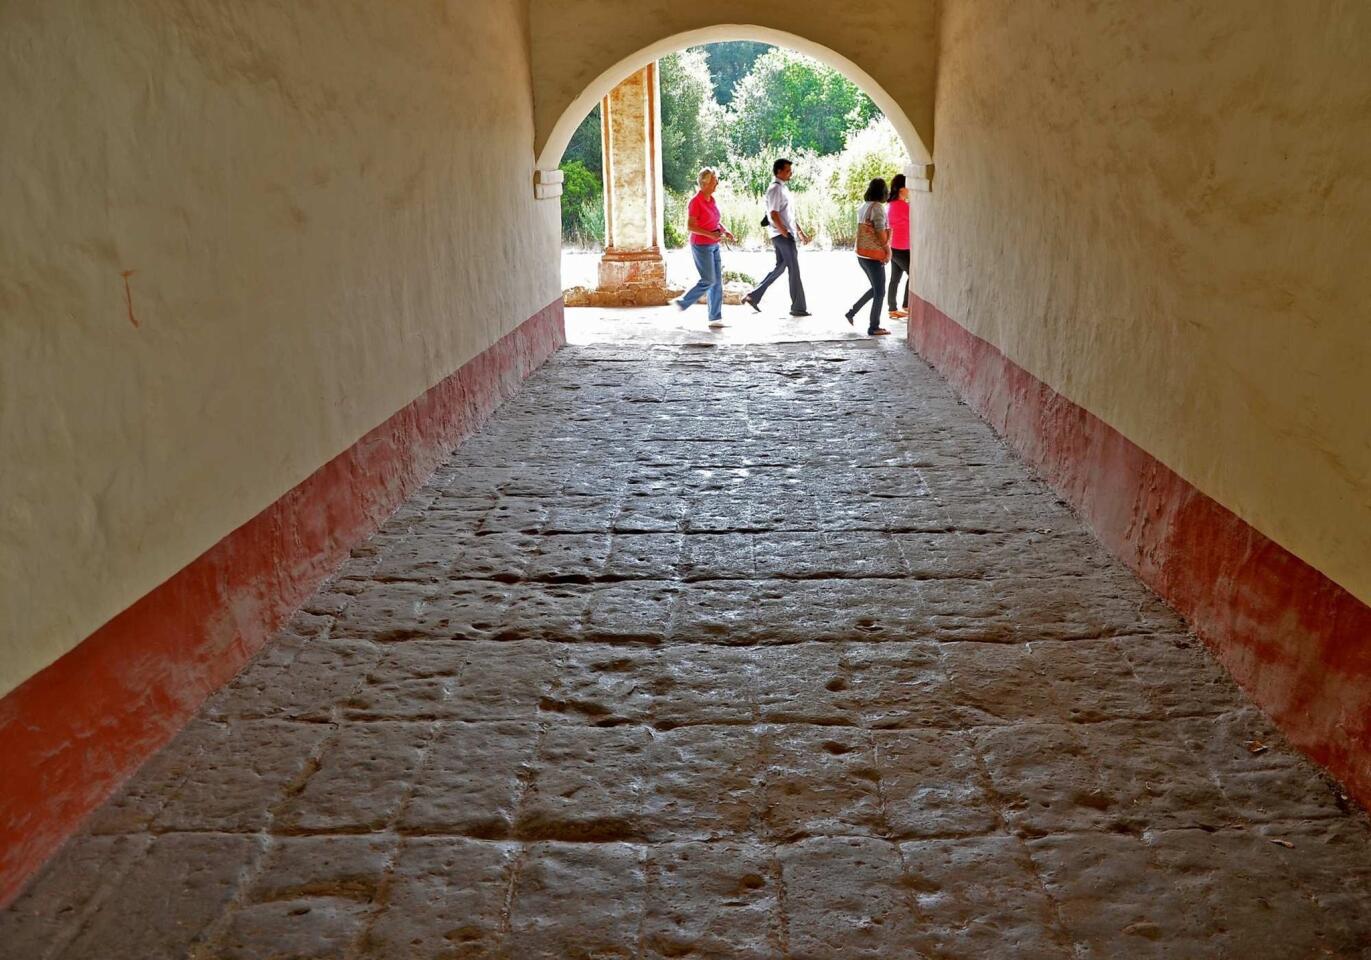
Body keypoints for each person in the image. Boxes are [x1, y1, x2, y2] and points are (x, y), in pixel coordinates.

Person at [742, 158, 811, 317]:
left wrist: (799, 232)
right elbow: (773, 213)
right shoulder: (775, 189)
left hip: (783, 234)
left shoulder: (782, 189)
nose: (791, 173)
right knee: (794, 270)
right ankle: (798, 307)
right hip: (781, 236)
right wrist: (785, 233)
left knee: (780, 267)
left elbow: (788, 215)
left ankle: (753, 296)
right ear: (779, 171)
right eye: (788, 170)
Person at [675, 167, 736, 329]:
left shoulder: (711, 200)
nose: (717, 183)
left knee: (716, 282)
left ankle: (715, 318)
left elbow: (715, 220)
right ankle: (681, 303)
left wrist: (725, 230)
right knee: (708, 280)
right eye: (715, 180)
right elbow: (690, 226)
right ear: (705, 183)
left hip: (713, 245)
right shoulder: (695, 202)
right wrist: (710, 235)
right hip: (701, 245)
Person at [845, 178, 892, 336]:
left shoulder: (864, 206)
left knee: (875, 289)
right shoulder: (877, 208)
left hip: (862, 254)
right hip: (874, 255)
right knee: (880, 292)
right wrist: (887, 250)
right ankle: (874, 326)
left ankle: (852, 312)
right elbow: (879, 231)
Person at [886, 173, 911, 319]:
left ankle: (892, 309)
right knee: (913, 275)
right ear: (902, 189)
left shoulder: (890, 205)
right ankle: (906, 305)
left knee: (895, 278)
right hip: (902, 247)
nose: (910, 190)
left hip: (892, 247)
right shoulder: (904, 207)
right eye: (908, 187)